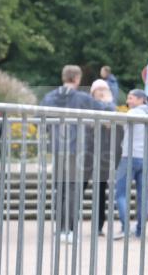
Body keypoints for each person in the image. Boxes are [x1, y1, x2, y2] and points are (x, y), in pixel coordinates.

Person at [41, 65, 116, 243]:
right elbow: (107, 113)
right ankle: (70, 229)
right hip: (77, 149)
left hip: (58, 148)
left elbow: (41, 121)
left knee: (60, 189)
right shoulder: (81, 98)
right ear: (77, 78)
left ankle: (60, 229)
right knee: (73, 189)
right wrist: (108, 100)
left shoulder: (49, 97)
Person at [114, 90, 148, 239]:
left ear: (142, 99)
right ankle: (140, 230)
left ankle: (125, 228)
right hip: (146, 158)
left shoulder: (133, 113)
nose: (128, 100)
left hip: (129, 156)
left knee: (121, 193)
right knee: (143, 196)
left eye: (131, 97)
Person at [89, 79, 121, 237]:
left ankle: (98, 226)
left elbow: (111, 119)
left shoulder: (111, 104)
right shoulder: (88, 103)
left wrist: (108, 103)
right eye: (99, 90)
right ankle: (68, 226)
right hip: (87, 151)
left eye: (105, 89)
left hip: (104, 153)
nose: (102, 92)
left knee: (101, 191)